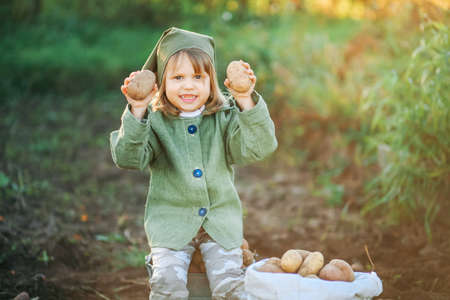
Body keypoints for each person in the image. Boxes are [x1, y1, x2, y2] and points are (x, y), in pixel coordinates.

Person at [110, 27, 277, 300]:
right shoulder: (155, 122)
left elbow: (259, 147)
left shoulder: (223, 118)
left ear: (212, 81)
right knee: (166, 285)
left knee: (231, 285)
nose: (188, 85)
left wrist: (245, 98)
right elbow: (128, 158)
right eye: (178, 77)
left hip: (220, 225)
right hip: (171, 224)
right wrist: (137, 108)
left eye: (198, 77)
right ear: (161, 82)